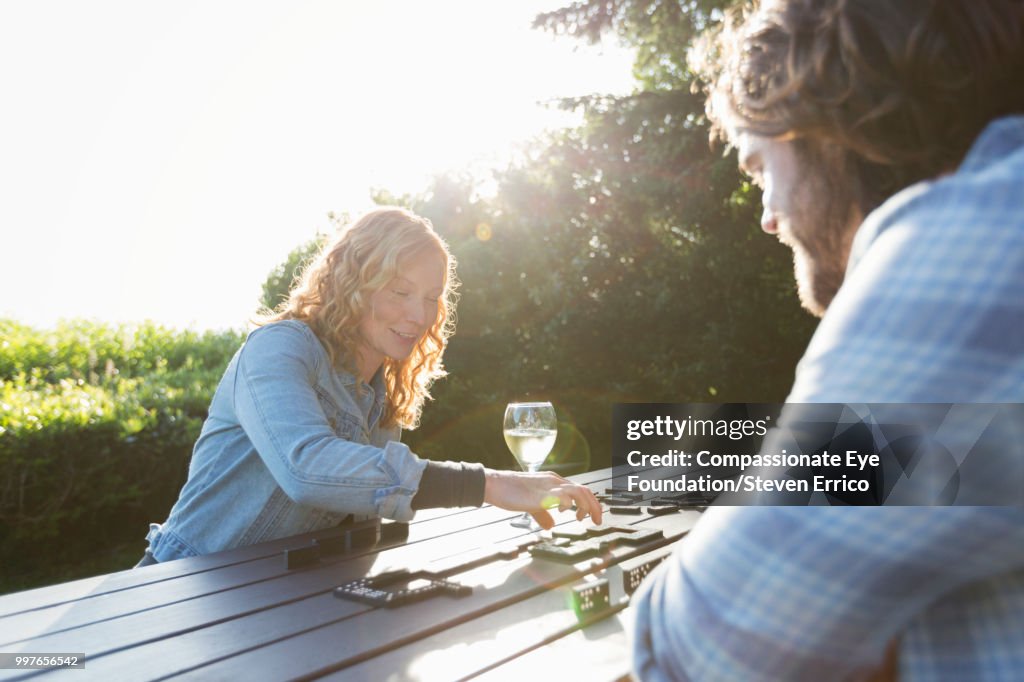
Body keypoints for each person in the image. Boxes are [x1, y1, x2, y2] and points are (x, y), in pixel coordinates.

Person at [631, 0, 1024, 679]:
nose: (765, 217)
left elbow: (705, 646)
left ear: (825, 120)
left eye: (759, 169)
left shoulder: (970, 237)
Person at [140, 207, 601, 564]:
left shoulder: (381, 387)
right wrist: (488, 484)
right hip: (180, 590)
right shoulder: (278, 349)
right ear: (351, 282)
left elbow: (363, 513)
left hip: (274, 605)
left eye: (431, 299)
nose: (419, 317)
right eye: (400, 292)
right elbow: (308, 468)